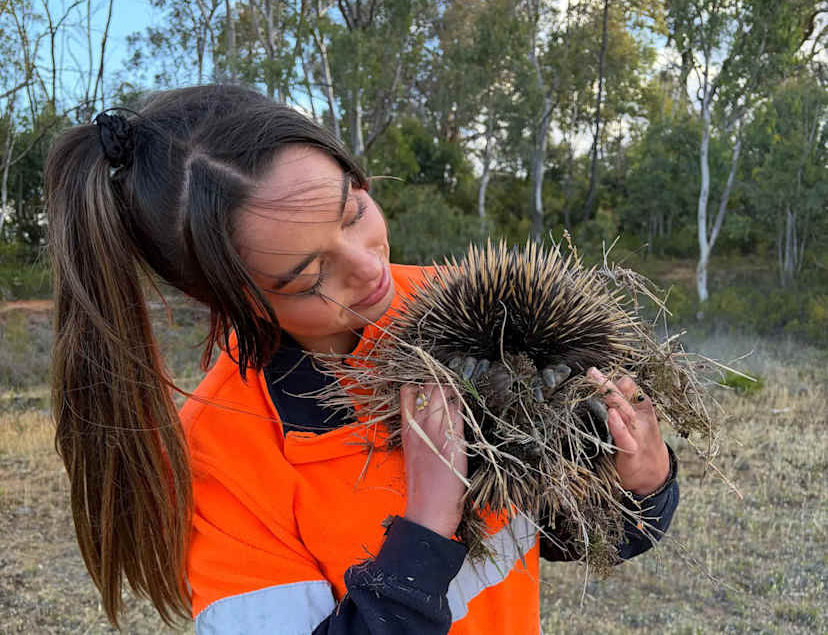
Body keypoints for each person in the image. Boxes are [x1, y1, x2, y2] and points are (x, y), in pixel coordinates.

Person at [45, 84, 678, 634]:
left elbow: (560, 532)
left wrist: (643, 483)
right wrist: (427, 525)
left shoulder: (458, 302)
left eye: (354, 212)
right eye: (308, 274)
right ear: (232, 299)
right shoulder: (223, 466)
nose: (372, 267)